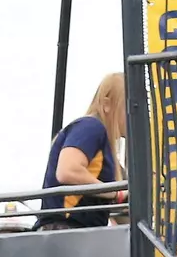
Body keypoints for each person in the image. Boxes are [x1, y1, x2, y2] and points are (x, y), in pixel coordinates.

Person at [39, 73, 126, 229]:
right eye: (128, 106)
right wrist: (115, 193)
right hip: (67, 231)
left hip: (81, 234)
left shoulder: (107, 155)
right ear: (107, 104)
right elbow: (67, 171)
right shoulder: (91, 127)